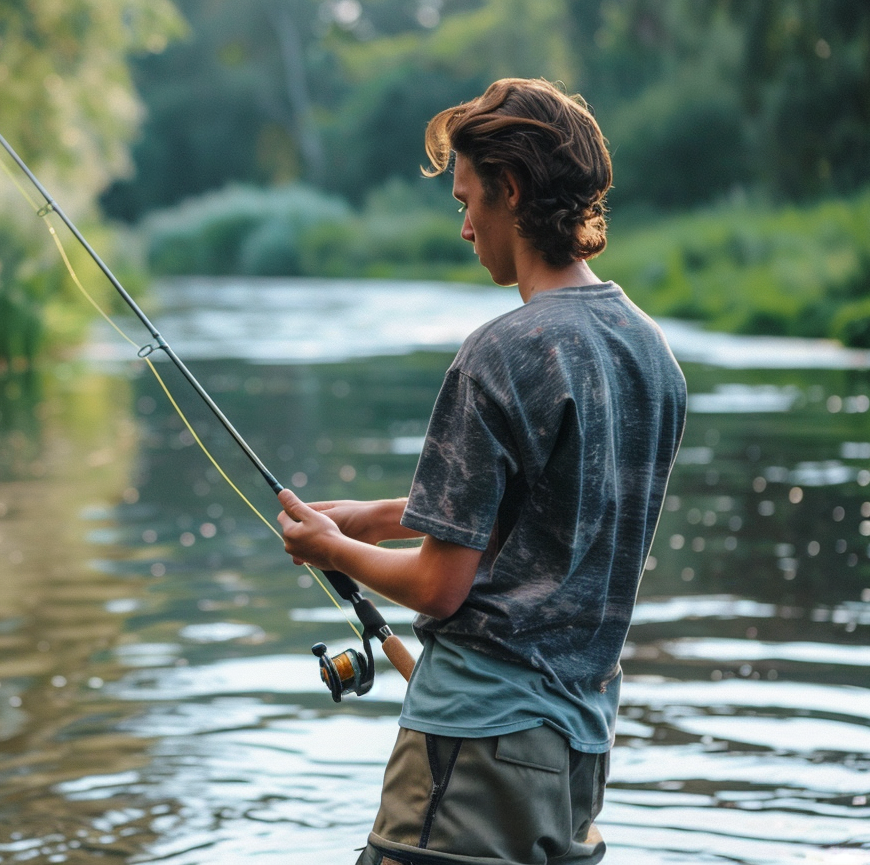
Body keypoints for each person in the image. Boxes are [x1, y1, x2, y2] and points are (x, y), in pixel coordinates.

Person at [277, 78, 687, 864]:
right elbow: (547, 501)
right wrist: (368, 518)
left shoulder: (502, 351)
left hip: (474, 755)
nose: (464, 226)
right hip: (579, 753)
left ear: (512, 189)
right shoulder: (650, 353)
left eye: (467, 199)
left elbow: (438, 587)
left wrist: (331, 553)